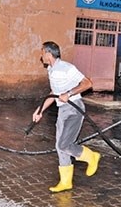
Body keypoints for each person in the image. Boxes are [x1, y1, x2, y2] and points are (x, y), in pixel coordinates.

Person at [31, 41, 100, 193]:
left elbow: (87, 83)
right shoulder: (51, 70)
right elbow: (54, 93)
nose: (41, 56)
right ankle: (65, 182)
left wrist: (69, 93)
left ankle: (91, 156)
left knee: (64, 145)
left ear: (49, 54)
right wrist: (40, 110)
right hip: (63, 110)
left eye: (42, 52)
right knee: (59, 146)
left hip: (74, 110)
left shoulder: (67, 68)